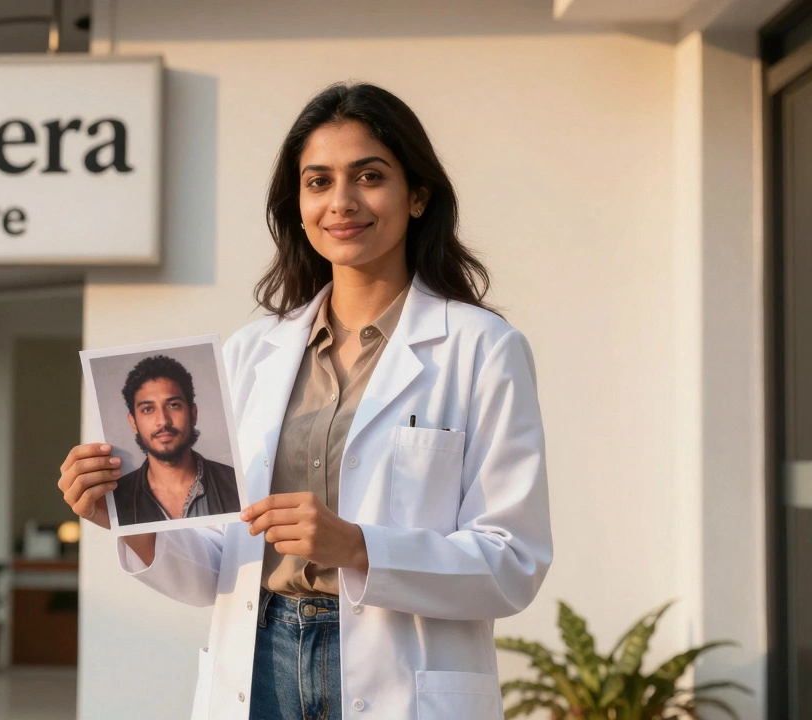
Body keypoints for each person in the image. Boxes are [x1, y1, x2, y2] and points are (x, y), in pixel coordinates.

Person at [57, 82, 551, 720]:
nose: (341, 202)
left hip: (401, 679)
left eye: (369, 176)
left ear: (418, 195)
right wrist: (127, 520)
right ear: (297, 203)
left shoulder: (482, 348)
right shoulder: (251, 352)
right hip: (260, 666)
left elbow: (513, 562)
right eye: (317, 182)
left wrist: (357, 546)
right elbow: (218, 563)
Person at [111, 354, 240, 525]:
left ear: (193, 414)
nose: (163, 421)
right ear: (133, 422)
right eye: (148, 409)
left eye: (173, 405)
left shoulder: (236, 484)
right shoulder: (116, 498)